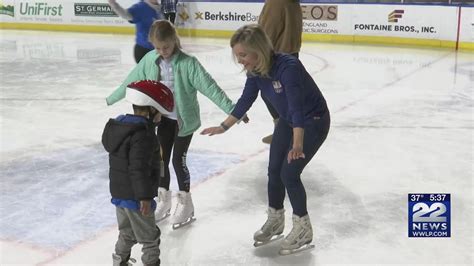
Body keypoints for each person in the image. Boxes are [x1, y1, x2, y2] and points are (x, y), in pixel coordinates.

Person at [200, 24, 330, 255]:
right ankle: (276, 219)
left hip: (313, 120)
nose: (240, 61)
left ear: (258, 50)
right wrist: (223, 126)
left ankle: (303, 227)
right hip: (287, 121)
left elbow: (296, 107)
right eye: (237, 55)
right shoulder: (255, 71)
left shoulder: (288, 67)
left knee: (289, 173)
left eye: (242, 55)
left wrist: (298, 144)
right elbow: (246, 99)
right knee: (273, 171)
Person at [106, 20, 239, 229]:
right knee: (160, 161)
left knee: (178, 160)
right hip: (161, 121)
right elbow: (131, 81)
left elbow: (210, 87)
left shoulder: (188, 63)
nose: (162, 51)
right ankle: (164, 199)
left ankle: (186, 202)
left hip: (183, 122)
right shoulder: (150, 60)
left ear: (174, 41)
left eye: (166, 47)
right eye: (157, 47)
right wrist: (113, 97)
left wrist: (233, 110)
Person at [102, 80, 172, 266]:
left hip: (119, 194)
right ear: (152, 109)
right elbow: (138, 168)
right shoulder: (143, 135)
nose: (160, 117)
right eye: (159, 112)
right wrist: (144, 197)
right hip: (136, 198)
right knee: (150, 237)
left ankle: (119, 261)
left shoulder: (123, 128)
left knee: (127, 232)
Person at [258, 0, 303, 144]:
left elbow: (266, 33)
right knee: (281, 95)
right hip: (290, 53)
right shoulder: (291, 3)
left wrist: (257, 53)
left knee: (269, 94)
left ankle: (285, 131)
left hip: (276, 56)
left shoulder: (276, 3)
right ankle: (285, 130)